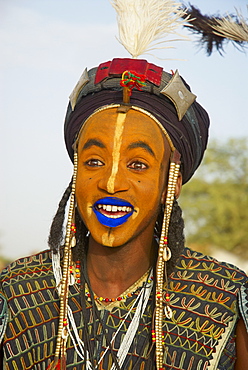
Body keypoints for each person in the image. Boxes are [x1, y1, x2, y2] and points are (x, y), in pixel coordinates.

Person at [0, 1, 248, 369]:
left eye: (138, 165)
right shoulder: (15, 291)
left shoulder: (224, 298)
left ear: (172, 181)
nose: (111, 183)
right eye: (94, 162)